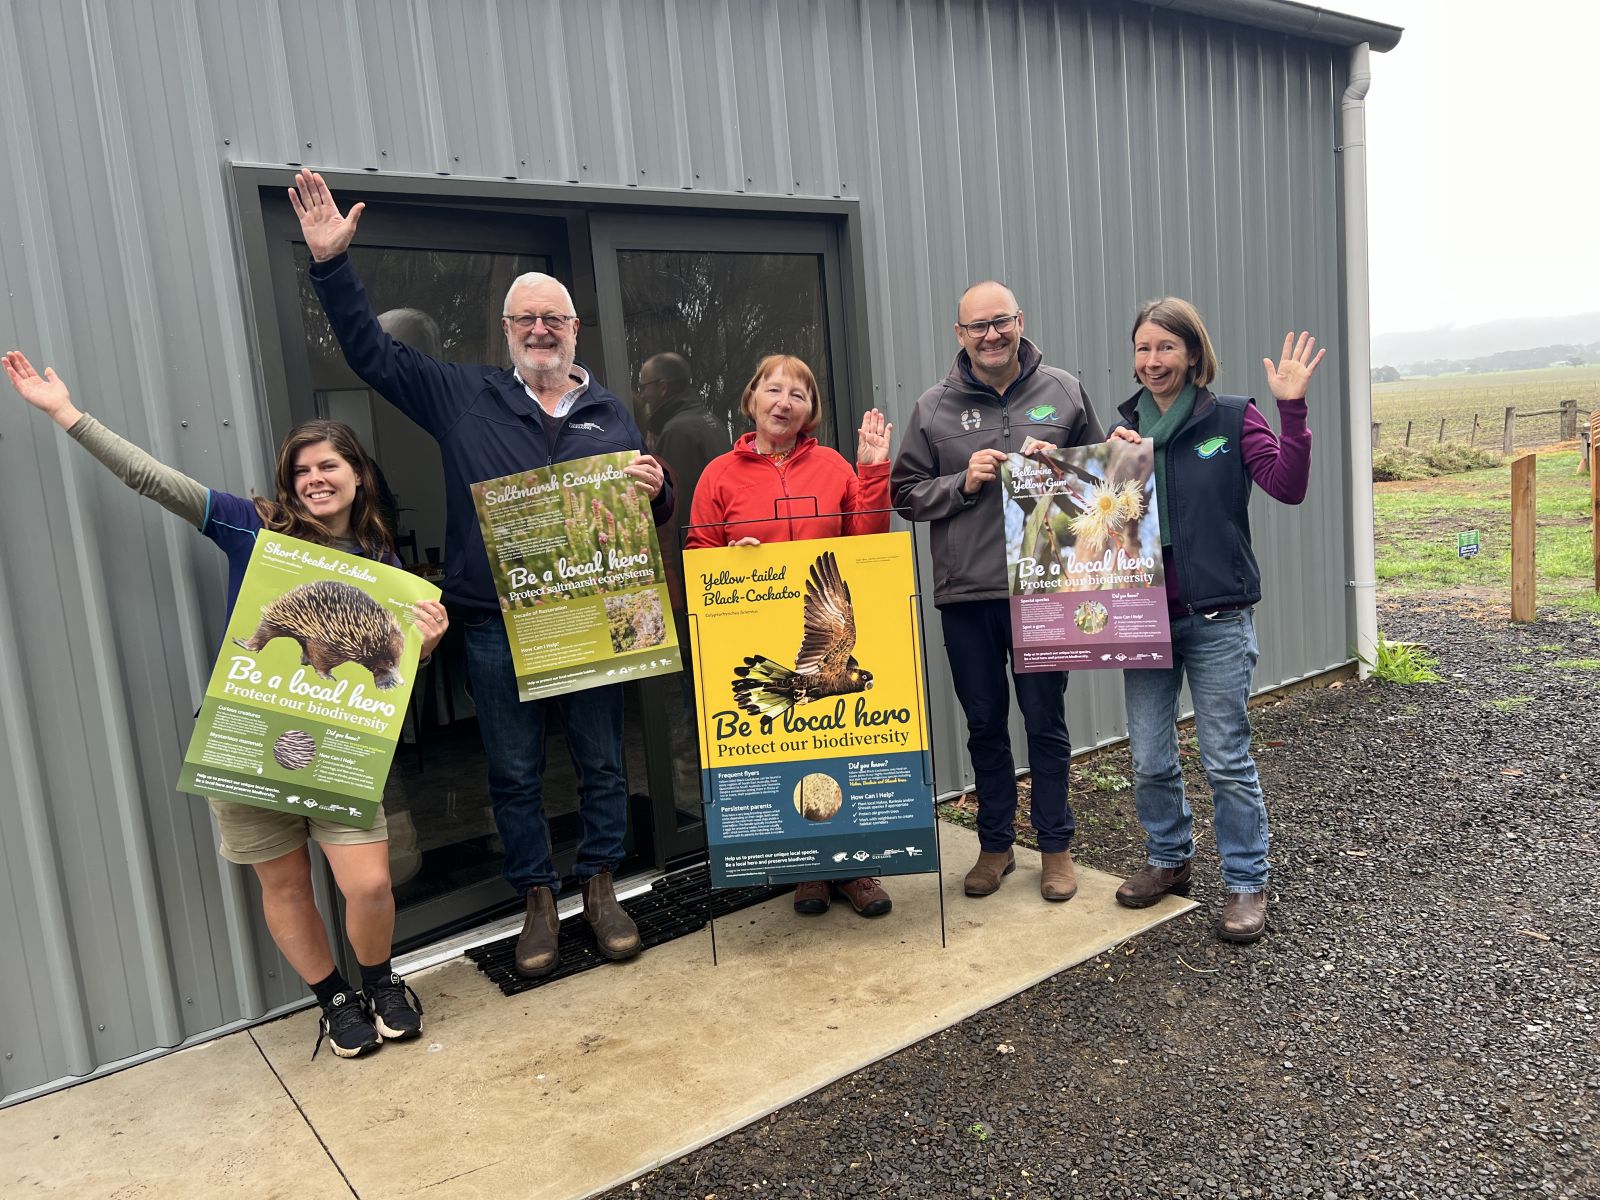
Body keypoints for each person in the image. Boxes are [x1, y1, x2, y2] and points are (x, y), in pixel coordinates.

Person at [4, 351, 446, 1060]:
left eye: (329, 466)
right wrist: (66, 414)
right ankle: (334, 1001)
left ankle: (381, 981)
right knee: (286, 882)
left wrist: (425, 645)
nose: (315, 480)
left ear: (358, 474)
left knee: (368, 882)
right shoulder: (250, 526)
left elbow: (390, 679)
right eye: (302, 471)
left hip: (339, 747)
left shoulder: (381, 561)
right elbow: (152, 480)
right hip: (250, 733)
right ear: (288, 486)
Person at [288, 171, 672, 980]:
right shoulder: (464, 394)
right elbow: (372, 354)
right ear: (506, 328)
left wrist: (659, 490)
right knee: (514, 768)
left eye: (553, 318)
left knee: (603, 759)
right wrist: (331, 266)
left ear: (574, 330)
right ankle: (538, 897)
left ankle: (600, 885)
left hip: (594, 617)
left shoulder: (611, 410)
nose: (540, 328)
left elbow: (644, 511)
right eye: (526, 317)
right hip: (496, 621)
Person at [1105, 298, 1322, 943]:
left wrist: (1293, 409)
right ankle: (1170, 860)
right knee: (1148, 757)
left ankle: (1247, 881)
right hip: (1142, 618)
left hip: (1218, 617)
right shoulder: (1122, 435)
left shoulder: (1231, 417)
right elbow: (1090, 526)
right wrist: (1064, 468)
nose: (1153, 361)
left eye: (1166, 348)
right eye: (1143, 349)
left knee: (1225, 757)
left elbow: (1288, 485)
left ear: (1193, 354)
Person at [891, 282, 1104, 903]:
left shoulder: (1062, 391)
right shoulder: (934, 407)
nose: (991, 335)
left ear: (1019, 322)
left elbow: (1102, 484)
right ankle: (995, 847)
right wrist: (962, 481)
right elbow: (904, 495)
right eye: (977, 326)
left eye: (1001, 322)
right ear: (959, 335)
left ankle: (1056, 848)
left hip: (1043, 589)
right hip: (968, 595)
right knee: (984, 723)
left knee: (1046, 721)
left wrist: (1063, 466)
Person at [686, 354, 895, 917]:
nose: (784, 402)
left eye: (797, 395)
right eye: (773, 391)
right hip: (755, 627)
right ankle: (809, 868)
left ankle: (856, 867)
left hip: (819, 634)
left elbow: (866, 544)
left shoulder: (832, 467)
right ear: (752, 399)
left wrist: (872, 472)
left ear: (810, 411)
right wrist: (728, 560)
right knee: (785, 751)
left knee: (845, 747)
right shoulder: (717, 475)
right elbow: (697, 556)